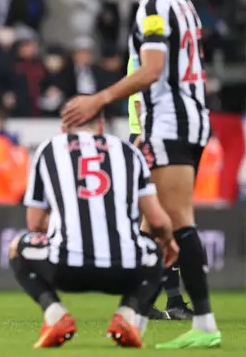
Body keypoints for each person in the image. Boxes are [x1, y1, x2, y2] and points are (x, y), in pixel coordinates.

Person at [61, 0, 221, 349]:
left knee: (175, 220)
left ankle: (202, 324)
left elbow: (151, 69)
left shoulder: (152, 6)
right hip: (189, 119)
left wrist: (99, 98)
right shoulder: (183, 2)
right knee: (152, 222)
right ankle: (136, 318)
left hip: (168, 123)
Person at [12, 111, 178, 348]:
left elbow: (34, 224)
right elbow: (158, 221)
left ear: (64, 127)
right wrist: (169, 240)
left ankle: (55, 314)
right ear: (101, 125)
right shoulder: (128, 151)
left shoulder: (49, 149)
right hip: (123, 269)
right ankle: (127, 315)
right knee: (157, 250)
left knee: (17, 247)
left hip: (65, 267)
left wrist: (66, 222)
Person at [127, 55, 189, 321]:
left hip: (158, 138)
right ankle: (145, 299)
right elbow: (141, 98)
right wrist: (146, 135)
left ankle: (158, 299)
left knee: (162, 221)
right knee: (158, 220)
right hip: (150, 138)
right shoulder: (145, 54)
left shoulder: (155, 52)